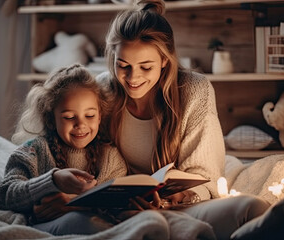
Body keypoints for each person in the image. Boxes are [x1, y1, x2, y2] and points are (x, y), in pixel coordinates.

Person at [96, 0, 271, 239]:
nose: (132, 77)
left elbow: (203, 174)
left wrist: (177, 196)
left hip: (182, 206)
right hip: (126, 209)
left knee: (252, 208)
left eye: (146, 67)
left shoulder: (194, 89)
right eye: (122, 65)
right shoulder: (103, 91)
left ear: (165, 61)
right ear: (112, 58)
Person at [0, 64, 127, 235]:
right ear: (50, 119)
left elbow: (117, 202)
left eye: (90, 116)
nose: (81, 124)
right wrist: (53, 181)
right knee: (79, 221)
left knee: (149, 221)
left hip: (99, 225)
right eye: (69, 117)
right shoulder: (34, 151)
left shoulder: (110, 157)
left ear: (100, 116)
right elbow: (5, 195)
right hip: (49, 227)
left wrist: (72, 203)